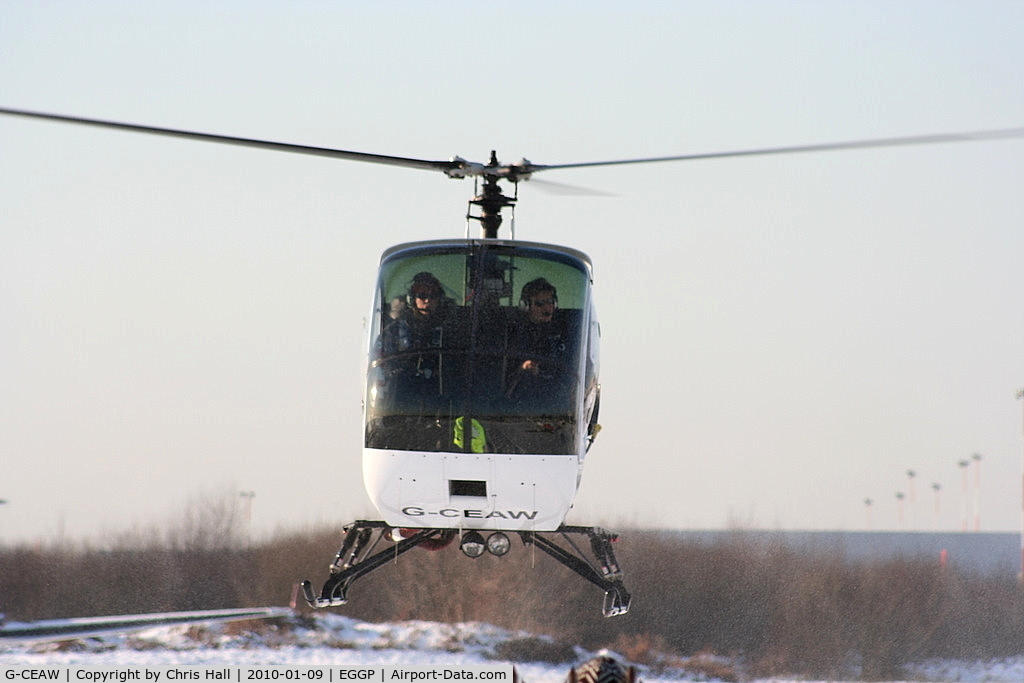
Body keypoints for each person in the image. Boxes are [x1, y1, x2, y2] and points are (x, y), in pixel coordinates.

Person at [506, 277, 567, 398]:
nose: (547, 308)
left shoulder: (563, 333)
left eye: (550, 302)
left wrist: (541, 373)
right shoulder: (514, 334)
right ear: (526, 306)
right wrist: (522, 368)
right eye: (540, 304)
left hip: (553, 401)